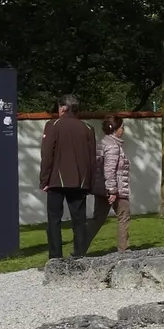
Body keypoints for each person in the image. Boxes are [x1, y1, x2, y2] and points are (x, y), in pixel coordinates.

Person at [39, 94, 97, 260]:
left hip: (56, 180)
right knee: (79, 221)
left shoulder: (53, 125)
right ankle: (79, 254)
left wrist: (44, 179)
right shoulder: (87, 128)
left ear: (63, 108)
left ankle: (55, 256)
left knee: (54, 220)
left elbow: (47, 155)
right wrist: (90, 183)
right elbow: (92, 159)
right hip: (80, 181)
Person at [84, 114, 132, 253]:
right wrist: (112, 190)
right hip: (115, 189)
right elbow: (109, 170)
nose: (123, 130)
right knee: (124, 216)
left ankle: (79, 247)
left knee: (98, 219)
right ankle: (124, 249)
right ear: (115, 129)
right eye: (122, 127)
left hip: (101, 189)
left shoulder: (103, 143)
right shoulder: (113, 147)